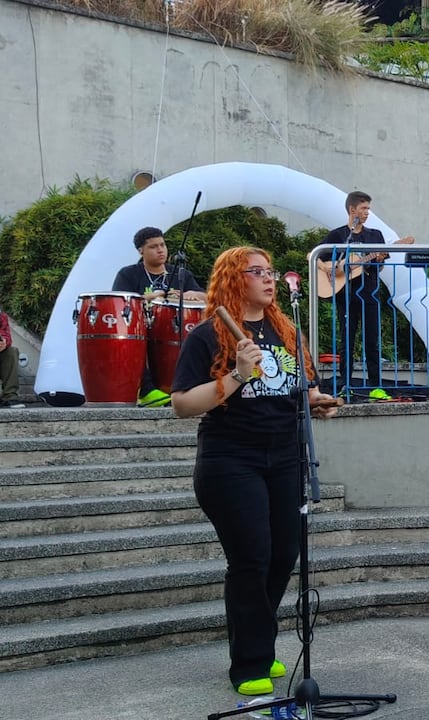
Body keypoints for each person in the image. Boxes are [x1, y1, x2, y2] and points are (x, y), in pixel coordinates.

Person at [170, 246, 339, 696]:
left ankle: (259, 643)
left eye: (270, 271)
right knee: (251, 558)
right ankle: (249, 662)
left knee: (284, 553)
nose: (268, 279)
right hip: (230, 460)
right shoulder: (209, 336)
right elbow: (183, 404)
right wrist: (238, 375)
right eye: (257, 272)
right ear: (234, 279)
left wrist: (315, 403)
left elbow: (300, 389)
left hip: (285, 455)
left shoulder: (286, 331)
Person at [112, 226, 207, 407]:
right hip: (141, 328)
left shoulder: (180, 274)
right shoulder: (129, 274)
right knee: (132, 342)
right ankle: (147, 390)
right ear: (141, 250)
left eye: (162, 245)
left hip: (172, 327)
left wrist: (189, 294)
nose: (160, 250)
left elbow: (207, 298)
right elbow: (120, 302)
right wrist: (152, 296)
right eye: (153, 247)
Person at [318, 191, 395, 400]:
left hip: (369, 293)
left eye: (368, 208)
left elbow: (379, 266)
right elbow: (314, 255)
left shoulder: (375, 235)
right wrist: (332, 268)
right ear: (352, 209)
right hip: (345, 294)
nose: (367, 212)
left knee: (372, 341)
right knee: (347, 341)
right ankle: (346, 386)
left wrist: (378, 258)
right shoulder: (338, 235)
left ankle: (376, 387)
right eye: (364, 208)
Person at [0, 305, 24, 408]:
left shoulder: (1, 316)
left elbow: (6, 334)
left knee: (11, 351)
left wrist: (3, 342)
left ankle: (10, 396)